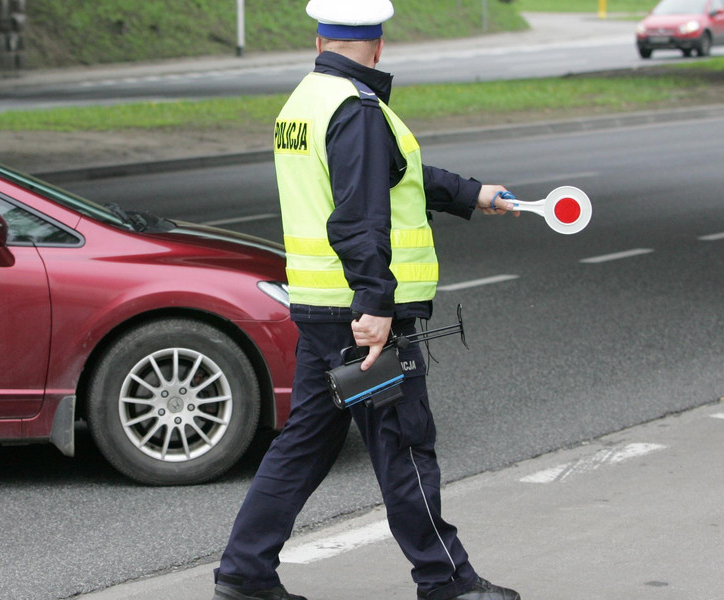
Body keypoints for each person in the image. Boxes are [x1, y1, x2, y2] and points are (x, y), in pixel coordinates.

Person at [212, 1, 522, 599]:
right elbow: (359, 216)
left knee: (305, 441)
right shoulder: (356, 108)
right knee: (403, 443)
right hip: (363, 315)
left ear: (321, 38)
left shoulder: (305, 101)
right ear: (378, 46)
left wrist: (471, 193)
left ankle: (245, 574)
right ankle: (446, 582)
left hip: (322, 306)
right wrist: (377, 306)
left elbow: (390, 172)